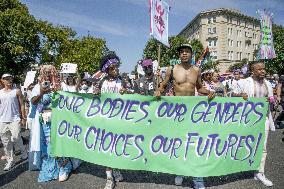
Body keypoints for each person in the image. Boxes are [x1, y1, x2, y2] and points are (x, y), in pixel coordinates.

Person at [155, 44, 214, 189]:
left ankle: (198, 180)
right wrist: (159, 90)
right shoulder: (172, 69)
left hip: (193, 112)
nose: (184, 54)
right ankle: (180, 171)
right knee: (179, 143)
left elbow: (199, 88)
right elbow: (163, 85)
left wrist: (209, 92)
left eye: (187, 51)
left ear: (192, 54)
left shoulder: (197, 70)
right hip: (177, 112)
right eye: (182, 52)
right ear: (179, 55)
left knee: (194, 143)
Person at [29, 65, 73, 182]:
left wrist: (58, 92)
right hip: (45, 121)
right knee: (49, 146)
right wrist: (41, 93)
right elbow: (33, 102)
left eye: (50, 72)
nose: (48, 74)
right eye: (45, 72)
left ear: (54, 73)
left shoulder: (61, 86)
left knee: (60, 144)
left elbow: (70, 100)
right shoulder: (38, 87)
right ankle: (52, 168)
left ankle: (64, 168)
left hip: (60, 120)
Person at [233, 61, 273, 187]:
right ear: (253, 71)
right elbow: (232, 95)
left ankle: (260, 172)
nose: (263, 71)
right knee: (245, 143)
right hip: (248, 119)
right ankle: (239, 166)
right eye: (260, 69)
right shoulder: (244, 82)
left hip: (264, 119)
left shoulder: (268, 84)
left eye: (264, 69)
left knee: (263, 146)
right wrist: (240, 95)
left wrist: (272, 101)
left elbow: (271, 100)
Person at [95, 54, 129, 189]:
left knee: (117, 147)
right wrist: (95, 92)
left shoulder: (123, 81)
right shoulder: (101, 82)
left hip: (119, 120)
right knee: (106, 148)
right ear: (107, 70)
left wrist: (126, 92)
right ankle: (109, 177)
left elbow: (133, 95)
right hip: (105, 121)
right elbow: (95, 96)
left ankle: (116, 169)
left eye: (117, 67)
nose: (116, 70)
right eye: (112, 68)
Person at [0, 73, 28, 171]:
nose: (9, 80)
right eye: (6, 79)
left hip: (14, 119)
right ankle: (10, 161)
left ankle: (24, 152)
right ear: (2, 81)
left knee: (16, 136)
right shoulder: (0, 93)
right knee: (6, 142)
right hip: (2, 120)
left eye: (10, 78)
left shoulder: (17, 91)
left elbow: (22, 104)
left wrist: (23, 117)